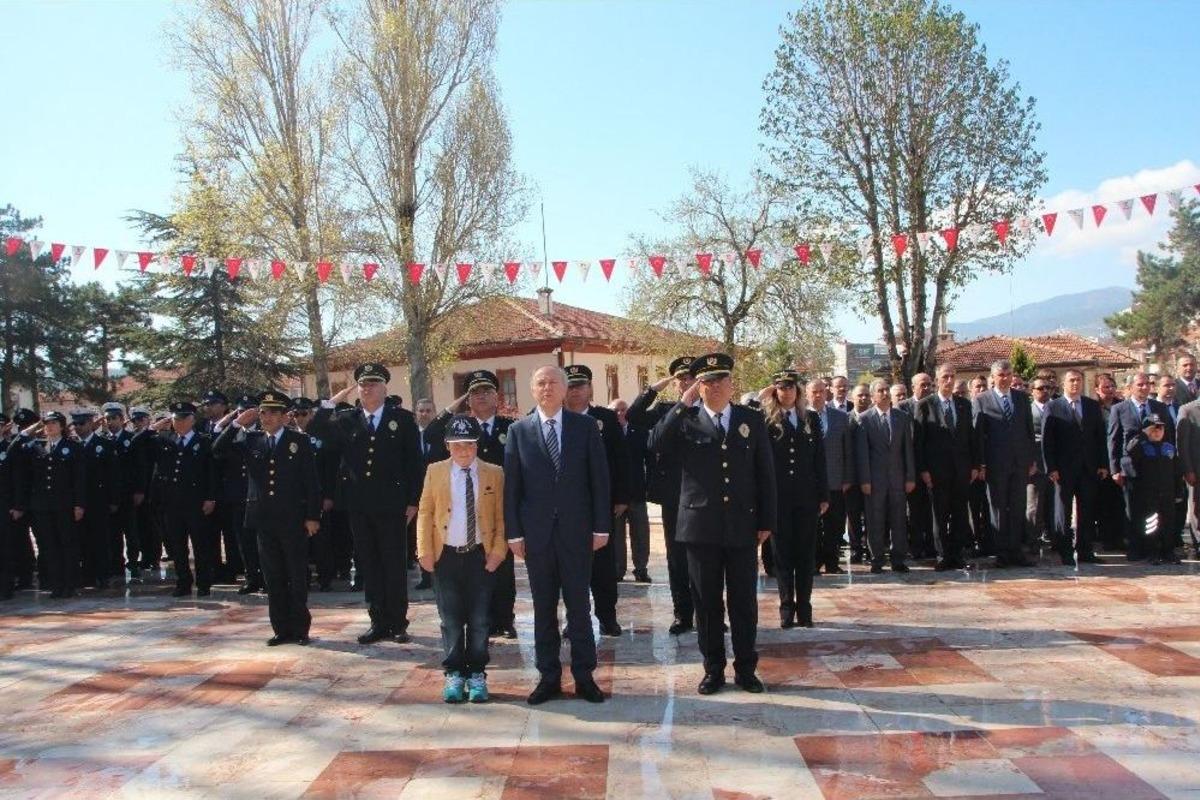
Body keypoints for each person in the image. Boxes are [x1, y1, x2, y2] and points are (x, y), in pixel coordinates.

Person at [651, 352, 775, 695]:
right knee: (706, 603)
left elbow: (765, 472)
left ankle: (747, 668)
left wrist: (766, 519)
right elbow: (655, 443)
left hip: (741, 525)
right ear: (698, 387)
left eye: (721, 379)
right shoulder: (684, 420)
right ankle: (713, 670)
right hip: (699, 527)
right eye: (707, 382)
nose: (715, 386)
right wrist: (682, 403)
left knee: (743, 602)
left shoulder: (751, 418)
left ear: (731, 383)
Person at [504, 365, 610, 705]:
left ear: (565, 390)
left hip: (577, 533)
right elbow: (513, 488)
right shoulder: (519, 431)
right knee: (543, 608)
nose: (547, 387)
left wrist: (601, 526)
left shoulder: (585, 427)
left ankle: (584, 676)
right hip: (536, 536)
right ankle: (548, 677)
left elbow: (599, 480)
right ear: (532, 390)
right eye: (540, 382)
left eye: (553, 382)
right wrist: (514, 533)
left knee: (579, 607)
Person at [311, 363, 425, 644]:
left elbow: (415, 463)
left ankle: (398, 622)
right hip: (359, 506)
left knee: (394, 564)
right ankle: (378, 621)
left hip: (393, 505)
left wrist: (413, 501)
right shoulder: (346, 419)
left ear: (385, 388)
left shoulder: (403, 419)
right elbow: (315, 431)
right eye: (363, 384)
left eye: (373, 383)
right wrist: (330, 403)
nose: (367, 388)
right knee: (369, 565)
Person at [214, 392, 321, 644]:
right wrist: (237, 423)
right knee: (272, 576)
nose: (267, 417)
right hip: (263, 519)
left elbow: (311, 482)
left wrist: (312, 516)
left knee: (296, 574)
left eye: (273, 412)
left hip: (293, 519)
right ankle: (281, 629)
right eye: (263, 412)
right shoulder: (252, 440)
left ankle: (300, 629)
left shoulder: (299, 441)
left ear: (285, 416)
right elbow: (218, 450)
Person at [417, 415, 507, 704]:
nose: (464, 451)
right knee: (451, 619)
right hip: (446, 555)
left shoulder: (494, 473)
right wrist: (424, 551)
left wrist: (498, 551)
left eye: (469, 444)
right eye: (457, 446)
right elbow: (425, 512)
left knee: (480, 619)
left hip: (480, 555)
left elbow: (502, 516)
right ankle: (454, 672)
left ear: (478, 445)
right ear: (447, 446)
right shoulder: (435, 471)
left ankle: (477, 672)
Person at [424, 370, 518, 639]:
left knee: (502, 567)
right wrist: (456, 404)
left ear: (496, 396)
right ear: (467, 398)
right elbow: (431, 434)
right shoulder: (458, 428)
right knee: (477, 571)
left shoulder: (509, 427)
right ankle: (483, 620)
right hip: (466, 511)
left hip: (500, 508)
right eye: (474, 393)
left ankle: (504, 619)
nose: (481, 397)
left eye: (487, 391)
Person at [628, 356, 696, 635]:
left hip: (707, 494)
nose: (685, 382)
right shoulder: (666, 409)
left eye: (690, 376)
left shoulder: (712, 409)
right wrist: (655, 388)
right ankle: (682, 614)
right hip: (674, 496)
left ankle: (712, 614)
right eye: (680, 378)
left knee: (708, 558)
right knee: (677, 558)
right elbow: (633, 415)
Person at [563, 364, 629, 637]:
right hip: (566, 508)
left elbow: (621, 460)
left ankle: (607, 617)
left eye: (580, 386)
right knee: (570, 569)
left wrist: (622, 497)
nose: (575, 391)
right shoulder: (555, 419)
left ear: (590, 388)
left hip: (601, 506)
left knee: (603, 567)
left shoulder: (605, 418)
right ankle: (574, 618)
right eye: (571, 386)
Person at [760, 370, 827, 628]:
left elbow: (819, 459)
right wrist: (760, 396)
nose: (786, 392)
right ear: (775, 391)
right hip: (779, 499)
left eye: (791, 387)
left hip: (807, 498)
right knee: (783, 557)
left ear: (798, 391)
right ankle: (786, 608)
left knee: (805, 555)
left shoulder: (809, 418)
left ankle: (805, 609)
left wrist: (823, 494)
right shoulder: (766, 419)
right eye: (781, 387)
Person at [149, 402, 219, 596]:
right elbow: (139, 443)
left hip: (196, 502)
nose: (178, 422)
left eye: (182, 419)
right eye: (174, 419)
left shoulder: (203, 441)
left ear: (192, 419)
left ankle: (204, 584)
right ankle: (183, 582)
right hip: (172, 503)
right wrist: (154, 427)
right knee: (177, 547)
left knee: (200, 545)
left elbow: (211, 472)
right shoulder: (164, 439)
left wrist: (210, 498)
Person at [973, 360, 1038, 568]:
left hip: (1019, 464)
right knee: (998, 508)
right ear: (993, 377)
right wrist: (981, 464)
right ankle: (1001, 553)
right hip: (995, 464)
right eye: (1001, 375)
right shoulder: (982, 400)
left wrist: (1030, 460)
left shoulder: (1021, 398)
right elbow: (978, 436)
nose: (1005, 378)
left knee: (1018, 507)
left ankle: (1016, 551)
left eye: (1008, 374)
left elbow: (1029, 432)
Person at [915, 364, 978, 571]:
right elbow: (919, 442)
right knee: (939, 514)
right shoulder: (925, 405)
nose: (949, 381)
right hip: (936, 471)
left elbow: (971, 437)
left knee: (960, 513)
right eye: (945, 377)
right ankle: (942, 554)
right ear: (937, 380)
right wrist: (923, 469)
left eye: (952, 376)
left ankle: (957, 554)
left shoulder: (964, 405)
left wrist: (975, 465)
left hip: (961, 470)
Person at [1041, 369, 1108, 565]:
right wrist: (1051, 467)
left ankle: (1085, 551)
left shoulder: (1092, 406)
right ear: (1064, 383)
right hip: (1063, 468)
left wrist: (1103, 464)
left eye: (1078, 380)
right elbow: (1047, 440)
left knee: (1087, 510)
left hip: (1088, 467)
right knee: (1063, 511)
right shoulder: (1053, 407)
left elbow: (1099, 437)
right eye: (1071, 380)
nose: (1075, 384)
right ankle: (1065, 551)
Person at [1108, 372, 1175, 561]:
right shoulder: (1120, 409)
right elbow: (1113, 440)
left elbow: (1167, 436)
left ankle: (1156, 547)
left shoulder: (1159, 407)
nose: (1144, 387)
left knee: (1155, 510)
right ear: (1130, 387)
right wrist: (1115, 469)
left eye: (1147, 384)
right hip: (1131, 467)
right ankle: (1135, 547)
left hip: (1156, 467)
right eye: (1140, 384)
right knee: (1133, 509)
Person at [22, 411, 86, 598]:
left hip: (65, 505)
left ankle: (70, 584)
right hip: (43, 506)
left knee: (67, 544)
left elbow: (79, 479)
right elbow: (17, 448)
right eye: (47, 423)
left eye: (54, 423)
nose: (50, 426)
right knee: (49, 546)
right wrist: (30, 430)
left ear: (62, 426)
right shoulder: (37, 447)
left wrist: (79, 504)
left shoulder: (72, 447)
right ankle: (56, 584)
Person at [855, 379, 916, 574]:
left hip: (898, 479)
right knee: (875, 521)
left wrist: (910, 477)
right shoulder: (864, 419)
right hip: (875, 481)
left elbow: (908, 450)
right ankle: (877, 559)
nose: (885, 394)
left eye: (886, 390)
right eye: (880, 391)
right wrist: (864, 480)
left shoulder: (902, 417)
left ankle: (898, 559)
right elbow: (862, 454)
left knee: (899, 520)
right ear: (873, 396)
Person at [292, 397, 340, 592]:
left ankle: (325, 578)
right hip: (295, 498)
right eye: (295, 414)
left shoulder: (323, 435)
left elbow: (331, 468)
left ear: (311, 414)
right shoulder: (290, 436)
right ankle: (302, 578)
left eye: (303, 413)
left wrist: (329, 495)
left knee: (321, 540)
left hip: (318, 495)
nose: (299, 418)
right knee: (298, 541)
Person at [1123, 414, 1183, 564]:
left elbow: (1177, 472)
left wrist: (1178, 491)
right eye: (1153, 428)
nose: (1157, 431)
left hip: (1167, 493)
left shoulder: (1169, 448)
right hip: (1148, 494)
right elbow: (1129, 451)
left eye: (1160, 428)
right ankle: (1152, 552)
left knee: (1168, 523)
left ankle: (1168, 551)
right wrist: (1144, 434)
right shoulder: (1142, 447)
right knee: (1151, 523)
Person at [71, 409, 120, 589]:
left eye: (81, 423)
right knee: (82, 539)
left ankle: (103, 574)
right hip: (79, 501)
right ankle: (87, 575)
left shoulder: (104, 444)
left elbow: (113, 475)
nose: (78, 427)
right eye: (75, 424)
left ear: (92, 423)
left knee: (100, 539)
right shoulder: (73, 445)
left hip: (99, 500)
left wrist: (114, 500)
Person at [806, 379, 851, 575]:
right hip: (810, 482)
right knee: (812, 526)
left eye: (821, 392)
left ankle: (832, 562)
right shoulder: (800, 416)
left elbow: (847, 450)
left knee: (835, 525)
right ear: (807, 394)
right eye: (814, 392)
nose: (818, 395)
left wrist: (847, 477)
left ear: (827, 393)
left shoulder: (840, 417)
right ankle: (814, 563)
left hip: (835, 480)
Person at [610, 398, 652, 583]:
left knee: (641, 533)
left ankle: (641, 568)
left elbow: (649, 461)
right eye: (615, 411)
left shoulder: (640, 433)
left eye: (622, 409)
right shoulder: (605, 433)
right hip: (615, 496)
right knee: (617, 536)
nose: (619, 413)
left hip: (636, 492)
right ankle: (618, 569)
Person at [101, 402, 140, 585]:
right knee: (111, 533)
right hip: (109, 496)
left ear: (122, 420)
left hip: (127, 494)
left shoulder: (130, 438)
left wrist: (139, 490)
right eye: (107, 419)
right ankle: (116, 564)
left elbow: (138, 467)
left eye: (114, 418)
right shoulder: (102, 440)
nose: (110, 422)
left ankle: (133, 563)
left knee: (131, 532)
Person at [844, 382, 873, 564]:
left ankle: (872, 549)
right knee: (853, 516)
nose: (863, 398)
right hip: (852, 478)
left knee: (872, 515)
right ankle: (856, 549)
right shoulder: (844, 419)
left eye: (866, 395)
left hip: (872, 475)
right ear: (852, 398)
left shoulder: (874, 418)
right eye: (859, 395)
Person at [1026, 377, 1054, 551]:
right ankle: (1032, 542)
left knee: (1054, 505)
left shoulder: (1056, 408)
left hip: (1055, 465)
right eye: (1040, 388)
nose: (1045, 391)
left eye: (1048, 388)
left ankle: (1054, 538)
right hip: (1036, 465)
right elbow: (1026, 439)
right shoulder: (1028, 411)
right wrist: (1030, 461)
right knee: (1034, 507)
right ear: (1032, 391)